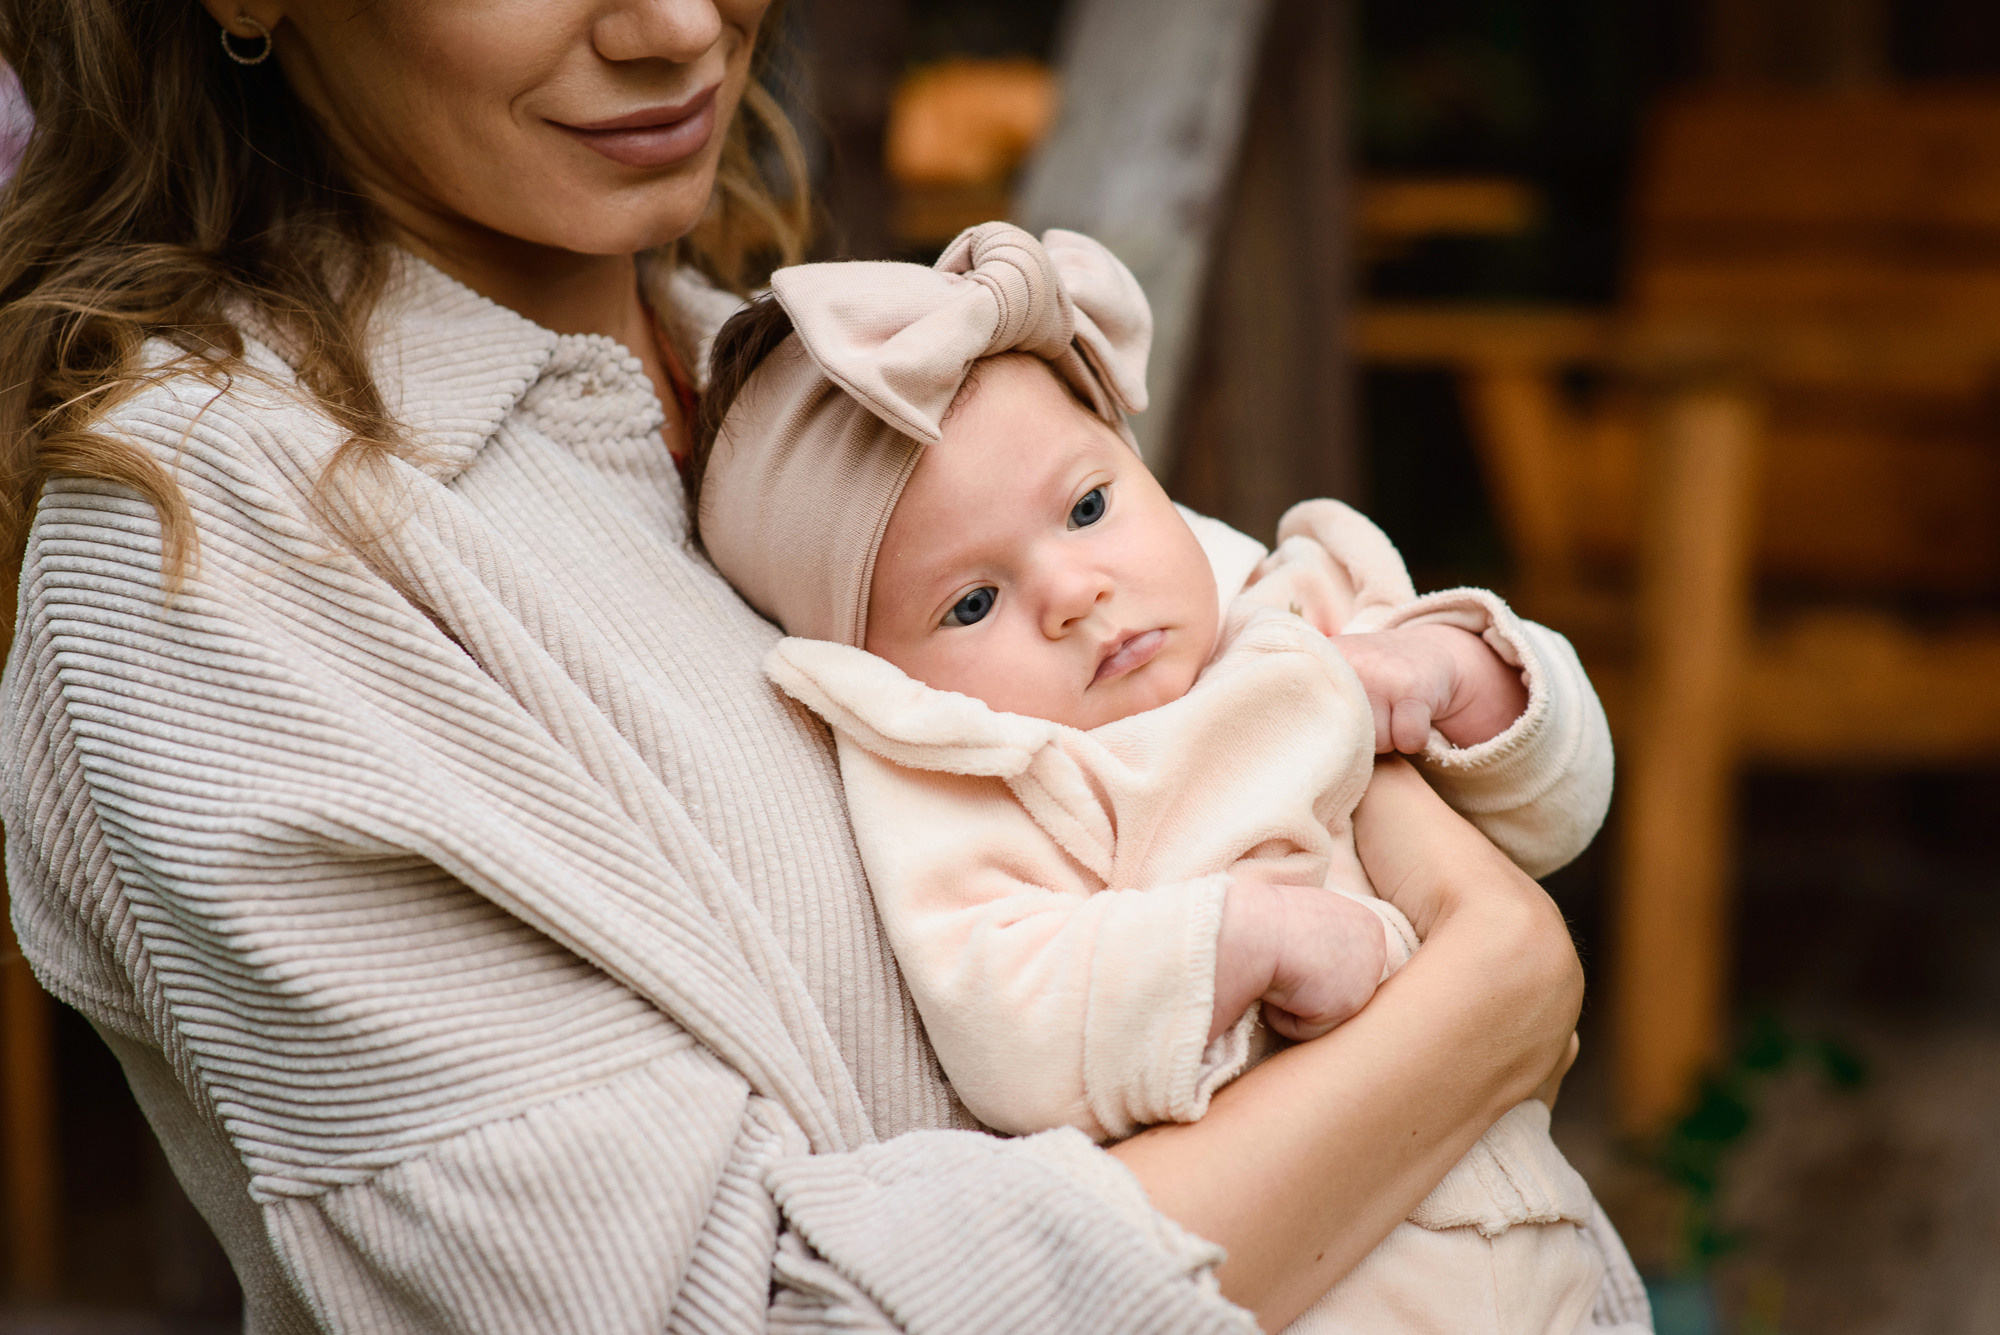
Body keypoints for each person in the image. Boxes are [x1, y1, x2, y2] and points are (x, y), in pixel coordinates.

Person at [0, 3, 1609, 1331]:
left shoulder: (821, 404)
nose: (683, 25)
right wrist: (1483, 1001)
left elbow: (1269, 692)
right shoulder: (216, 543)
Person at [690, 222, 1648, 1334]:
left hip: (1551, 1271)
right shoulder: (983, 777)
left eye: (1087, 508)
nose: (1071, 591)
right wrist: (1230, 943)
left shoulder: (1294, 610)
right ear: (880, 680)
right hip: (1320, 1284)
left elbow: (1563, 808)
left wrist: (1467, 679)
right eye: (970, 602)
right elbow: (1007, 1017)